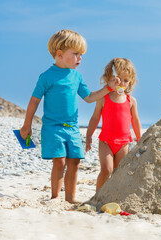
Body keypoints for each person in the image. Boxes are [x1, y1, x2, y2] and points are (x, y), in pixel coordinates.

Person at [20, 29, 117, 203]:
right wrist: (27, 124)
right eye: (76, 54)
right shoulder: (46, 76)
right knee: (60, 162)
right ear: (59, 54)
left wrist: (108, 88)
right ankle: (55, 197)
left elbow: (89, 97)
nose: (80, 58)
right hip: (53, 127)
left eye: (82, 54)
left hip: (72, 128)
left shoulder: (77, 76)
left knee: (75, 162)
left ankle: (70, 199)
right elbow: (34, 101)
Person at [86, 58, 142, 192]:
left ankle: (112, 196)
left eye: (126, 80)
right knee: (106, 170)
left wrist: (140, 139)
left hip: (123, 143)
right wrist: (88, 135)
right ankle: (97, 196)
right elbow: (95, 118)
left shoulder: (131, 101)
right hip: (106, 141)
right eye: (118, 80)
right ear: (109, 78)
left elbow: (135, 120)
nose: (121, 84)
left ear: (130, 82)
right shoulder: (102, 98)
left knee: (118, 173)